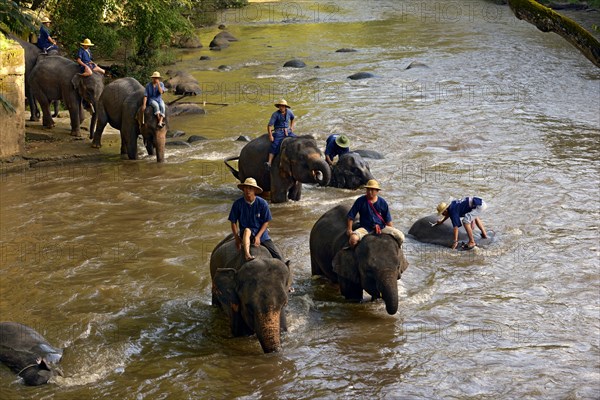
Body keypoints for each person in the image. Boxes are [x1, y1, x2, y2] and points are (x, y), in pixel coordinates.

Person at [228, 177, 283, 261]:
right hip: (245, 233)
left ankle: (285, 265)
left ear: (255, 190)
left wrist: (258, 237)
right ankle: (247, 254)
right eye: (246, 188)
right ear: (243, 189)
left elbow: (266, 222)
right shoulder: (237, 204)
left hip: (261, 233)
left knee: (277, 256)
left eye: (250, 188)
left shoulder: (262, 203)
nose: (248, 190)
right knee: (247, 230)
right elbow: (233, 222)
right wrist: (236, 238)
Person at [347, 179, 405, 247]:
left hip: (381, 227)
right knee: (353, 239)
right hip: (366, 228)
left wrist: (391, 230)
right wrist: (349, 229)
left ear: (377, 191)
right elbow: (351, 216)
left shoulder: (382, 202)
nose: (369, 192)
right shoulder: (360, 201)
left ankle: (399, 250)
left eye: (372, 190)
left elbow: (388, 219)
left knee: (400, 236)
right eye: (368, 189)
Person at [265, 99, 296, 170]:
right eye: (280, 106)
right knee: (275, 145)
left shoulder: (289, 112)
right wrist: (270, 135)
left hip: (288, 131)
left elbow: (293, 119)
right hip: (278, 132)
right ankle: (269, 162)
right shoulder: (275, 114)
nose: (281, 107)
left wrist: (291, 127)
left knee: (297, 139)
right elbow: (269, 125)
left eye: (282, 106)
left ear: (285, 107)